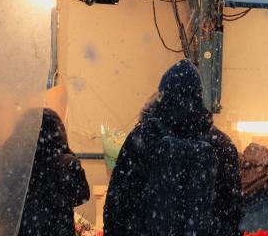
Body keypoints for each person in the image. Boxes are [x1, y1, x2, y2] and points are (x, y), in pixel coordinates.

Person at [104, 60, 243, 236]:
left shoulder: (143, 138)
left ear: (163, 95)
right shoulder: (221, 144)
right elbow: (232, 211)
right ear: (199, 95)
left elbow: (117, 205)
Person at [0, 108, 90, 236]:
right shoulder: (67, 164)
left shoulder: (7, 162)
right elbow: (83, 196)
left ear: (21, 131)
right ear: (59, 131)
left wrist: (17, 211)